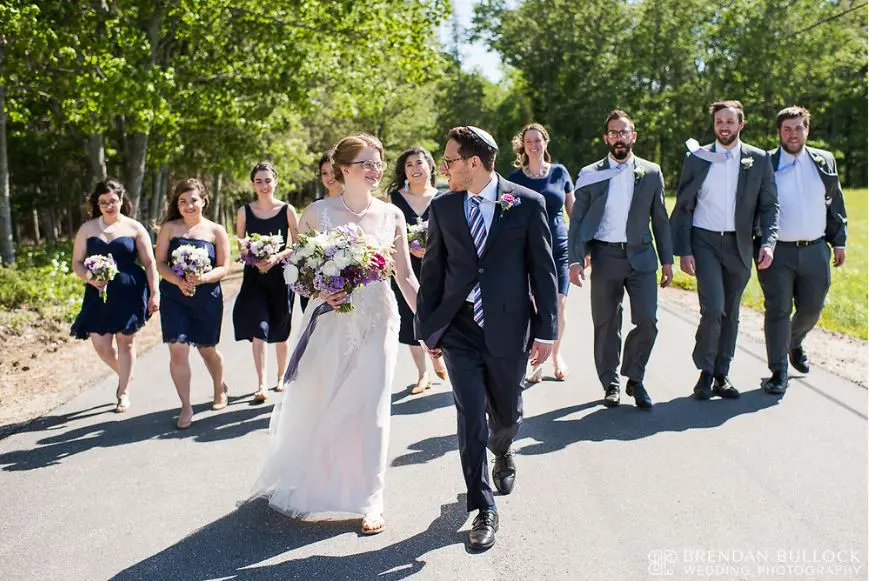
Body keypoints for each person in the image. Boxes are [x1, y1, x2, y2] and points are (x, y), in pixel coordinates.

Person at [251, 133, 419, 536]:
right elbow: (298, 274)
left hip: (379, 320)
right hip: (330, 319)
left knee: (372, 409)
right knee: (326, 403)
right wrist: (320, 290)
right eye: (366, 163)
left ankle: (370, 498)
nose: (375, 170)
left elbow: (407, 277)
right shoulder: (316, 212)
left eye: (379, 163)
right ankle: (323, 482)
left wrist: (430, 326)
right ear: (343, 169)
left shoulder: (392, 215)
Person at [416, 126, 558, 550]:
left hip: (509, 327)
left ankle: (504, 447)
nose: (444, 168)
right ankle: (482, 507)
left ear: (473, 163)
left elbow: (543, 270)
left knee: (508, 413)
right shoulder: (443, 209)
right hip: (459, 328)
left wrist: (548, 329)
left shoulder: (527, 204)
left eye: (450, 161)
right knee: (469, 413)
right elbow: (433, 273)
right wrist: (430, 328)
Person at [670, 100, 779, 400]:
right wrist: (684, 250)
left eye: (730, 122)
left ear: (741, 125)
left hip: (740, 245)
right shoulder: (698, 157)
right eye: (720, 122)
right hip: (704, 241)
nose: (724, 127)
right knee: (714, 308)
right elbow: (682, 206)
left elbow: (770, 206)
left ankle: (722, 374)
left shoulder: (758, 159)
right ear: (714, 125)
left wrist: (768, 242)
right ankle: (705, 372)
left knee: (731, 312)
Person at [567, 110, 673, 409]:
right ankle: (610, 382)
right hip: (605, 256)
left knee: (648, 320)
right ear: (606, 138)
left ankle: (635, 377)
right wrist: (576, 259)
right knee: (605, 322)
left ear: (633, 136)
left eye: (623, 132)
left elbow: (661, 220)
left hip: (642, 257)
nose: (619, 137)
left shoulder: (651, 172)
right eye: (613, 132)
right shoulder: (591, 173)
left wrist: (667, 261)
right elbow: (577, 220)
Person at [759, 106, 847, 394]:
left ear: (807, 130)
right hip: (777, 253)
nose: (793, 134)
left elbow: (836, 203)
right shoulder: (765, 164)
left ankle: (793, 342)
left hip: (815, 249)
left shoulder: (824, 161)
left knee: (812, 308)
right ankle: (778, 372)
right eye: (787, 129)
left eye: (799, 128)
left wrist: (839, 241)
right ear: (778, 132)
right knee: (778, 310)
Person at [70, 179, 159, 413]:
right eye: (103, 202)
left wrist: (155, 293)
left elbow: (149, 263)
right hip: (98, 291)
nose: (109, 206)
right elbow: (76, 263)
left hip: (130, 289)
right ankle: (125, 373)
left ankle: (123, 392)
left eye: (113, 201)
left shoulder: (134, 227)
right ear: (97, 204)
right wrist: (90, 277)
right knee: (101, 344)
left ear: (122, 201)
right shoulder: (88, 229)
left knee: (125, 340)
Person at [155, 178, 231, 429]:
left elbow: (224, 267)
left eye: (193, 200)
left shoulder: (216, 231)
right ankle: (186, 405)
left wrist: (202, 278)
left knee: (206, 348)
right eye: (182, 201)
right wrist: (178, 281)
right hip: (174, 296)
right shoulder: (169, 228)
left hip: (207, 297)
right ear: (177, 205)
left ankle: (219, 387)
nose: (188, 206)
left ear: (203, 201)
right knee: (177, 348)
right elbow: (160, 263)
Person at [506, 122, 574, 383]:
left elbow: (573, 212)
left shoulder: (560, 173)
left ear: (546, 142)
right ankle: (535, 360)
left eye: (538, 140)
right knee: (534, 304)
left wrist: (581, 247)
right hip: (528, 250)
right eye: (529, 141)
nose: (534, 145)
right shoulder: (513, 180)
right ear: (523, 146)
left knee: (559, 304)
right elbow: (506, 215)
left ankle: (556, 355)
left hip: (559, 247)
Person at [233, 162, 299, 402]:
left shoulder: (287, 210)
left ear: (275, 181)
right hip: (254, 278)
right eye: (259, 181)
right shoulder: (245, 211)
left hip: (281, 277)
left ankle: (281, 377)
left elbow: (296, 243)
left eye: (267, 180)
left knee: (281, 332)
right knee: (258, 328)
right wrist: (253, 255)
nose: (263, 185)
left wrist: (276, 257)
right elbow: (240, 243)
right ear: (253, 183)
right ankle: (261, 383)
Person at [385, 146, 448, 394]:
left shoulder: (444, 197)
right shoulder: (395, 200)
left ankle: (442, 359)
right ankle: (423, 374)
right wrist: (407, 249)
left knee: (440, 315)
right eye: (409, 165)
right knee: (413, 319)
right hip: (406, 267)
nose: (414, 169)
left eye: (419, 163)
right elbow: (386, 235)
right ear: (404, 171)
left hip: (439, 267)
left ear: (430, 167)